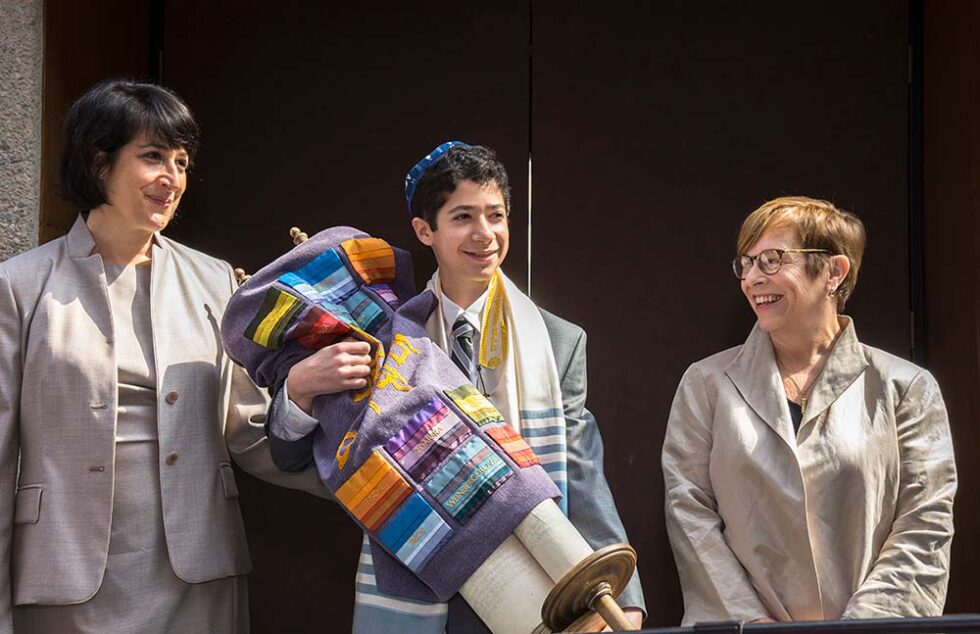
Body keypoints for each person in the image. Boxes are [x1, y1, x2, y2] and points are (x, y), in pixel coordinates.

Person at [268, 142, 646, 632]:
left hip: (533, 583)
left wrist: (624, 597)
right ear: (425, 230)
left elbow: (581, 469)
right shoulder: (382, 337)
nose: (484, 234)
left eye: (496, 215)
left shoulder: (557, 341)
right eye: (463, 216)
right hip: (422, 576)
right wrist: (299, 390)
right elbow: (292, 457)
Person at [0, 79, 322, 633]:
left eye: (182, 162)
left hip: (197, 578)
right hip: (62, 580)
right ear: (98, 161)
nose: (172, 178)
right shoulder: (19, 286)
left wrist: (366, 466)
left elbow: (249, 432)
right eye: (152, 157)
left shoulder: (215, 280)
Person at [662, 196, 957, 624]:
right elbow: (688, 510)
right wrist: (750, 625)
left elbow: (924, 522)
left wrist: (864, 627)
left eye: (772, 260)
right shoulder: (706, 384)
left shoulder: (905, 387)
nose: (752, 278)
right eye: (746, 263)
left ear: (834, 271)